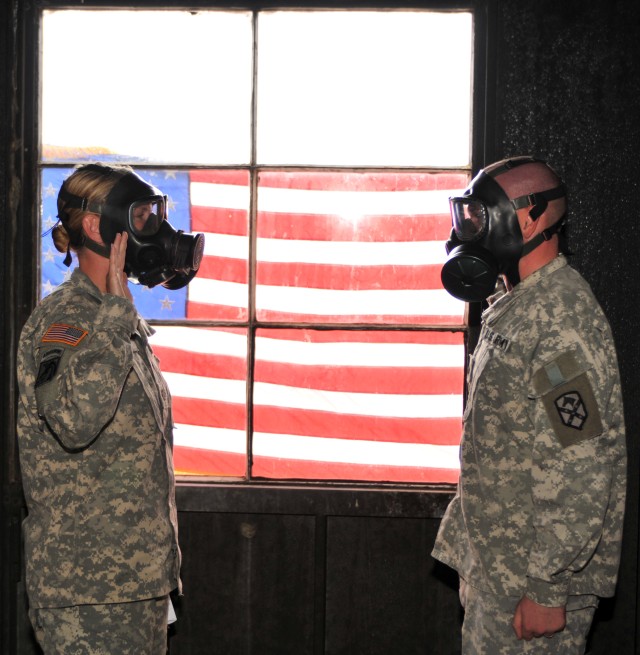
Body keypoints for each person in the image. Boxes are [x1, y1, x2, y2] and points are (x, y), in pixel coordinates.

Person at [433, 156, 627, 654]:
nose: (471, 231)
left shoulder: (560, 320)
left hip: (530, 583)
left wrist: (547, 587)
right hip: (499, 568)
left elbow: (581, 465)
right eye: (467, 218)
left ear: (534, 217)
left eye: (482, 216)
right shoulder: (516, 303)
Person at [16, 162, 203, 654]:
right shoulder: (66, 321)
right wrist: (118, 318)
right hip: (89, 596)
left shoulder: (115, 318)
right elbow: (74, 422)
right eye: (140, 217)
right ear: (98, 226)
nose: (155, 231)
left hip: (133, 587)